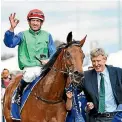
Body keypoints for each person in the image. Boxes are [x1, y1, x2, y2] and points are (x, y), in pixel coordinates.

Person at [3, 9, 56, 105]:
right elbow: (9, 43)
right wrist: (11, 29)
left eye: (38, 21)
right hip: (29, 67)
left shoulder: (48, 35)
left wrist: (49, 60)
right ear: (29, 21)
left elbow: (54, 53)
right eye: (33, 20)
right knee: (31, 74)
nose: (35, 23)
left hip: (45, 68)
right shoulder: (22, 35)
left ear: (41, 23)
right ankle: (18, 93)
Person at [77, 48, 122, 122]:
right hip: (96, 118)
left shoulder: (118, 72)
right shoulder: (86, 76)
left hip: (116, 117)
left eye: (98, 61)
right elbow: (74, 94)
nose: (96, 64)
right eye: (93, 61)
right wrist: (85, 105)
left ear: (105, 59)